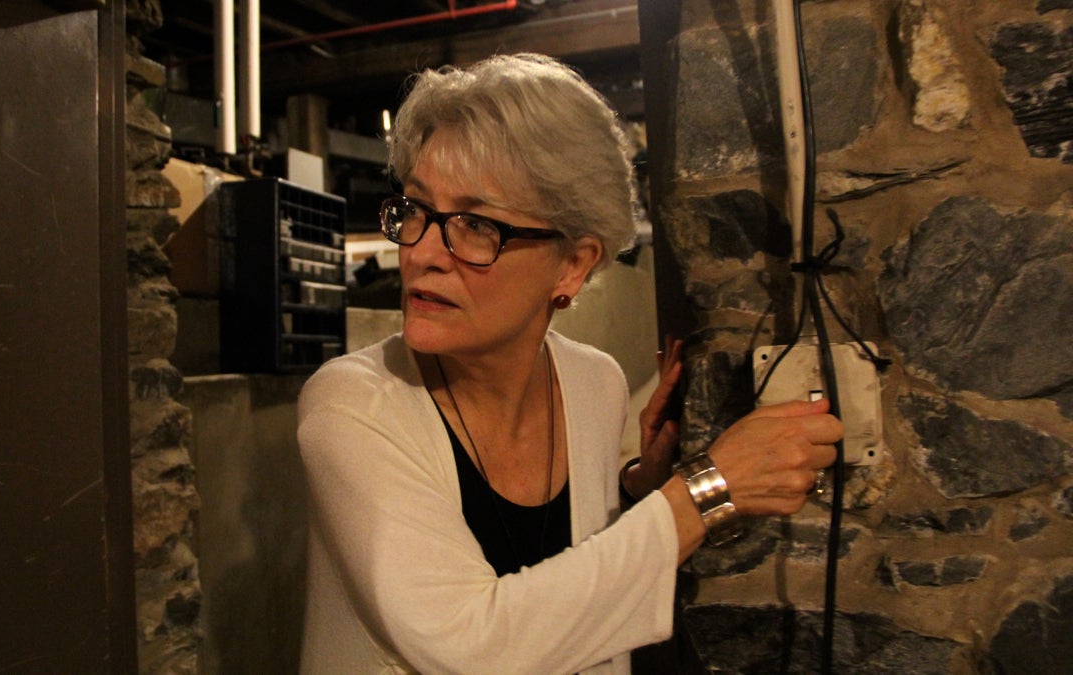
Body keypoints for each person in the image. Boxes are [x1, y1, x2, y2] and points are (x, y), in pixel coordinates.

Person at [296, 53, 841, 674]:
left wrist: (637, 492)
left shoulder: (595, 382)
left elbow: (567, 577)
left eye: (474, 225)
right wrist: (707, 491)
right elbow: (467, 645)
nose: (423, 251)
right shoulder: (351, 403)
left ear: (573, 264)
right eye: (417, 210)